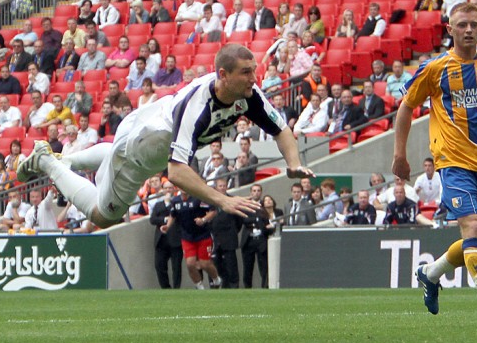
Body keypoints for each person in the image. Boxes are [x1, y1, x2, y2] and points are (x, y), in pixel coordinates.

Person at [17, 44, 314, 228]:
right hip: (141, 150)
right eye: (246, 72)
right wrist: (221, 200)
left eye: (253, 71)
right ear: (223, 75)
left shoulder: (248, 93)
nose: (254, 78)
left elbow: (281, 130)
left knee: (112, 154)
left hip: (144, 120)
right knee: (103, 216)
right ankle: (49, 163)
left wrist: (293, 163)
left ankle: (66, 160)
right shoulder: (198, 106)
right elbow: (176, 172)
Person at [392, 2, 477, 325]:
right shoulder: (435, 69)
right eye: (461, 25)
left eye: (473, 25)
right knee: (472, 228)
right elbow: (406, 108)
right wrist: (400, 154)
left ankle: (431, 273)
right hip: (452, 162)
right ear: (449, 30)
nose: (468, 30)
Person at [149, 180, 183, 289]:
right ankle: (166, 288)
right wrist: (164, 219)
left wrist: (168, 204)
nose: (168, 190)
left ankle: (176, 288)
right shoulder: (158, 205)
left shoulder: (178, 202)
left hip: (175, 239)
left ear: (174, 189)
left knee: (176, 267)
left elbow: (176, 215)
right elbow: (153, 219)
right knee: (159, 266)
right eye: (166, 188)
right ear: (163, 190)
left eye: (170, 188)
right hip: (161, 240)